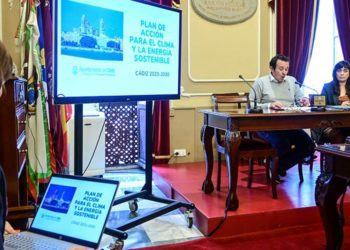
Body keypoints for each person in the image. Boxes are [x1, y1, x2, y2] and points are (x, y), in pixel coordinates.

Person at [249, 54, 315, 177]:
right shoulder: (261, 82)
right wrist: (269, 106)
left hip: (289, 125)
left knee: (309, 146)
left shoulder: (292, 81)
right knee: (282, 143)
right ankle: (275, 167)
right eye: (280, 69)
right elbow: (251, 105)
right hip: (266, 126)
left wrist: (304, 100)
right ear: (272, 68)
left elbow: (300, 97)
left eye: (286, 69)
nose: (284, 72)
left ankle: (277, 167)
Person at [312, 60, 350, 144]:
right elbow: (320, 107)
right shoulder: (327, 87)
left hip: (348, 123)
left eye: (345, 71)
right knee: (338, 137)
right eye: (339, 70)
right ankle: (336, 157)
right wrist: (341, 107)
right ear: (335, 72)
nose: (342, 73)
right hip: (331, 124)